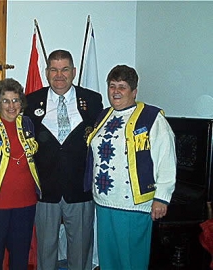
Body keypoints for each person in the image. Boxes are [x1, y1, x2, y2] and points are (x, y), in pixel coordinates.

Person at [84, 64, 176, 270]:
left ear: (134, 91)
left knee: (131, 260)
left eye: (122, 87)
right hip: (104, 202)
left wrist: (162, 197)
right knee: (109, 259)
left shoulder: (152, 118)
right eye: (112, 86)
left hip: (133, 205)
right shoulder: (103, 116)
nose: (116, 91)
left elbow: (166, 159)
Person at [24, 49, 103, 270]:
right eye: (54, 70)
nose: (60, 75)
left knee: (80, 253)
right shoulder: (31, 101)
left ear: (74, 72)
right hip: (45, 191)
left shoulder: (93, 100)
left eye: (65, 69)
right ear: (47, 72)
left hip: (80, 190)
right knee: (46, 252)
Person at [0, 78, 41, 269]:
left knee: (20, 259)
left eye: (16, 100)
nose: (11, 106)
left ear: (21, 102)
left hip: (26, 204)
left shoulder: (28, 124)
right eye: (6, 100)